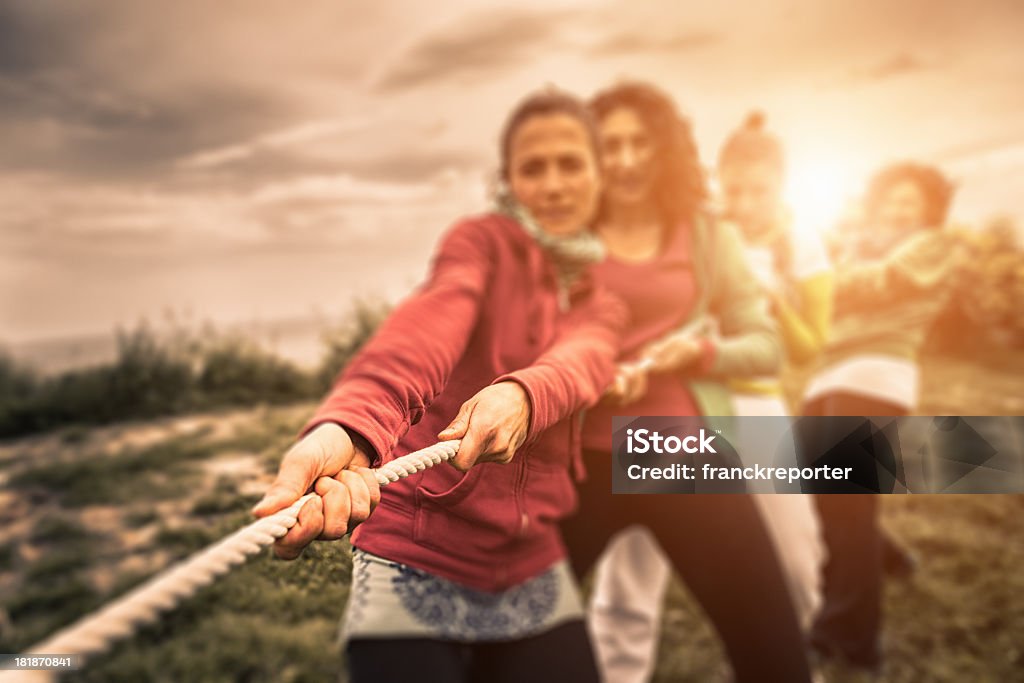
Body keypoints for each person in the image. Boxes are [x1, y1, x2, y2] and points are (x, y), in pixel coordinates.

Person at [253, 89, 627, 683]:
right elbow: (428, 325)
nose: (554, 184)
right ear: (508, 182)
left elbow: (584, 361)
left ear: (600, 174)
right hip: (415, 545)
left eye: (571, 163)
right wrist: (353, 424)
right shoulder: (479, 244)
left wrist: (526, 395)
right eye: (534, 168)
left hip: (532, 562)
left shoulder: (603, 301)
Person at [559, 81, 813, 683]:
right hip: (575, 461)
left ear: (665, 150)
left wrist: (696, 352)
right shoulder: (561, 237)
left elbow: (767, 345)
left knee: (775, 655)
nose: (623, 159)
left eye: (639, 143)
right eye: (608, 144)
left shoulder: (704, 236)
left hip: (676, 452)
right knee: (494, 642)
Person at [800, 162, 958, 675]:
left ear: (928, 211)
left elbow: (885, 281)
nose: (897, 211)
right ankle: (887, 557)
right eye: (890, 201)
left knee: (845, 502)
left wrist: (831, 279)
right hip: (828, 372)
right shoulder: (858, 244)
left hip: (876, 374)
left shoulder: (933, 244)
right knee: (816, 492)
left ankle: (851, 639)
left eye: (909, 203)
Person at [717, 111, 832, 628]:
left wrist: (774, 302)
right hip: (687, 407)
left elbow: (811, 348)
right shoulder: (703, 236)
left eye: (758, 191)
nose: (743, 205)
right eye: (733, 190)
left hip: (758, 405)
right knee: (639, 555)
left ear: (781, 185)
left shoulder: (800, 247)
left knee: (795, 553)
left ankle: (793, 651)